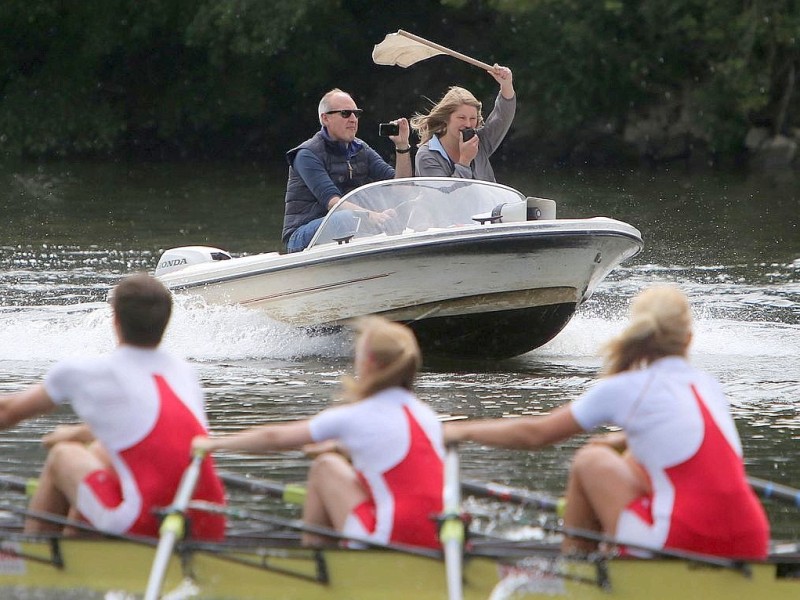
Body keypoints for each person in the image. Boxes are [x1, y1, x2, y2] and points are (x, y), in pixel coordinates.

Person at [444, 285, 769, 560]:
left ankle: (575, 567)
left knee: (590, 459)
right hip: (751, 539)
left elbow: (536, 434)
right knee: (630, 458)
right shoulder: (708, 385)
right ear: (688, 339)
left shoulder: (627, 388)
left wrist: (463, 429)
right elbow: (679, 435)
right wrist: (620, 440)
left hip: (681, 541)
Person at [0, 273, 226, 540]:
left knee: (63, 456)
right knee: (98, 451)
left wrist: (72, 438)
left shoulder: (86, 372)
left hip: (146, 522)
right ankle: (75, 544)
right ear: (166, 322)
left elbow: (7, 413)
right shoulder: (185, 373)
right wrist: (80, 433)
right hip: (208, 522)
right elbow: (146, 428)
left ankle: (34, 559)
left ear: (115, 321)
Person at [192, 316, 444, 549]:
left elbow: (275, 438)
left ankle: (315, 558)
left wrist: (214, 444)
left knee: (325, 467)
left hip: (388, 540)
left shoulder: (356, 415)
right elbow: (388, 447)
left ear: (368, 364)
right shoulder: (426, 415)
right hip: (438, 539)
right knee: (347, 467)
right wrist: (340, 448)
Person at [282, 88, 414, 253]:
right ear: (325, 119)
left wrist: (402, 147)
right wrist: (371, 216)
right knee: (345, 218)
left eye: (356, 114)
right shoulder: (306, 154)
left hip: (351, 226)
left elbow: (402, 188)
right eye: (345, 113)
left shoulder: (361, 148)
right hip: (302, 235)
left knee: (405, 208)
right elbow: (333, 202)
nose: (353, 119)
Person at [410, 65, 515, 181]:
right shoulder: (427, 155)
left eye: (473, 119)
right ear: (446, 118)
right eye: (461, 118)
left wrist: (507, 85)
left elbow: (502, 116)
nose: (468, 124)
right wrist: (465, 161)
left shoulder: (479, 141)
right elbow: (446, 196)